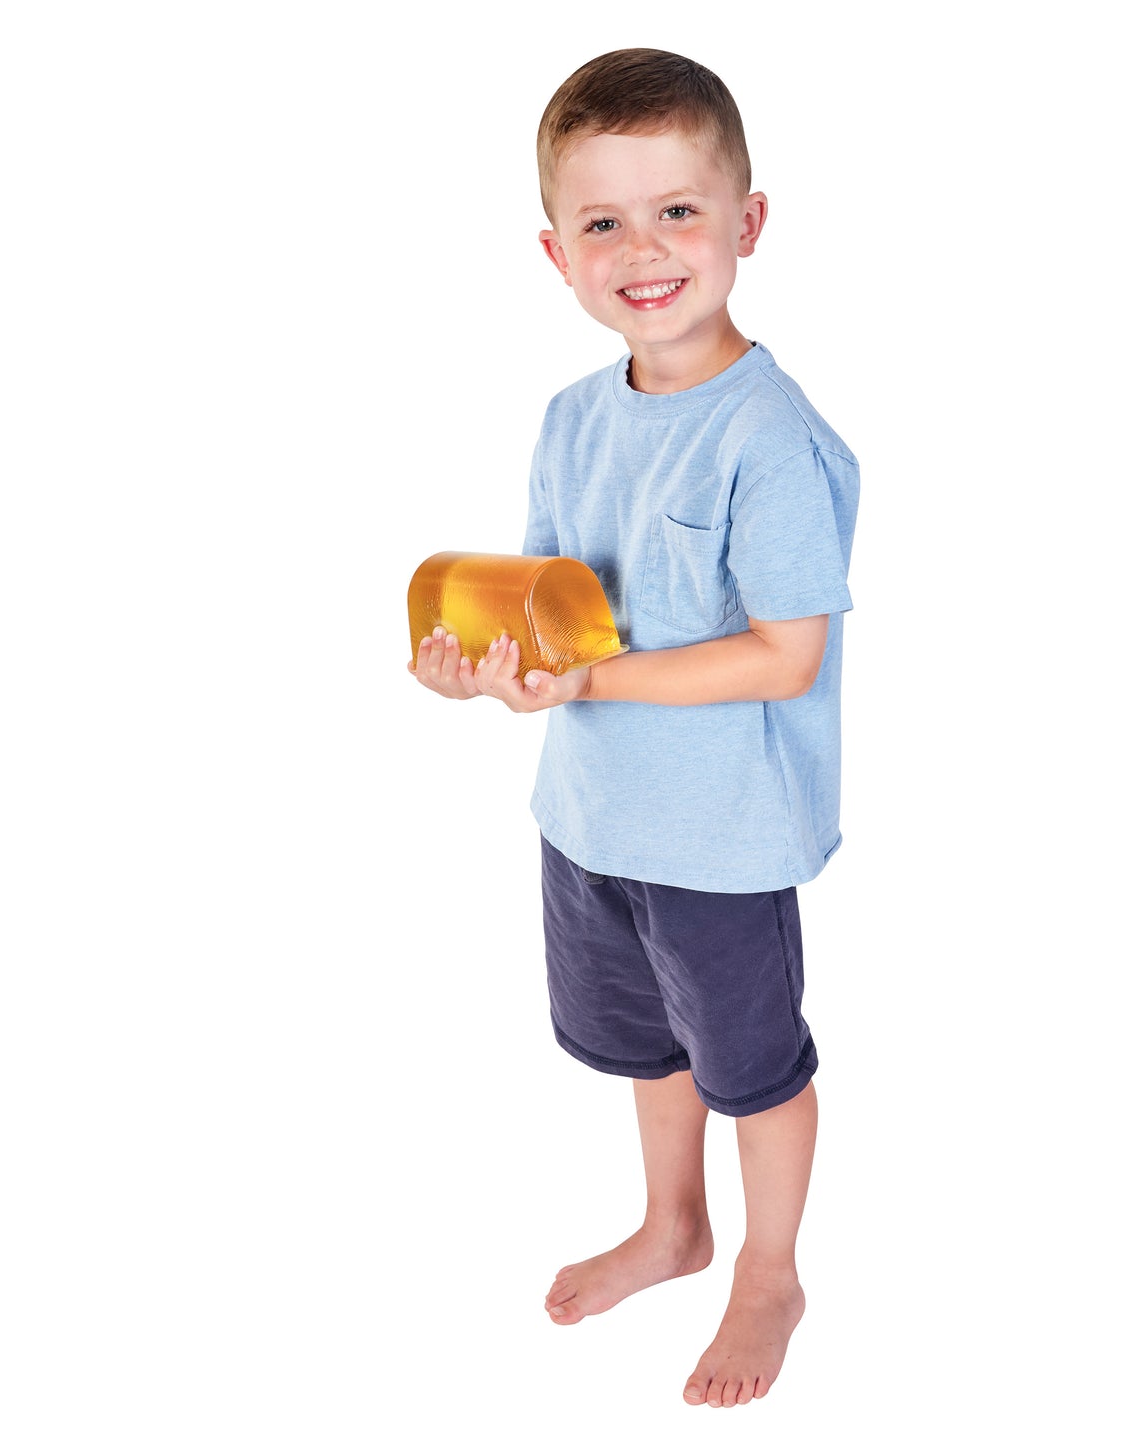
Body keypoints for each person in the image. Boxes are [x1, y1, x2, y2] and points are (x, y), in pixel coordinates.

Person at [408, 48, 859, 1408]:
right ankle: (673, 1225)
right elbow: (555, 617)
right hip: (592, 817)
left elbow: (785, 654)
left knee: (751, 1063)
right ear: (557, 254)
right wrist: (486, 672)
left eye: (677, 210)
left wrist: (591, 685)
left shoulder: (770, 438)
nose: (642, 249)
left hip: (721, 837)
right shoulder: (570, 420)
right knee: (644, 1043)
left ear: (746, 224)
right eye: (602, 221)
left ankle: (769, 1268)